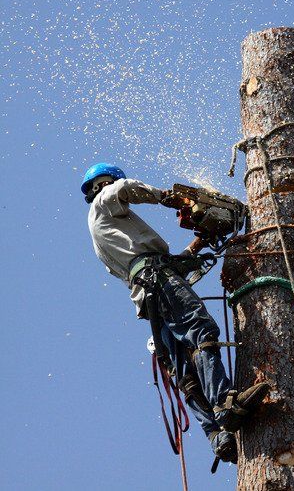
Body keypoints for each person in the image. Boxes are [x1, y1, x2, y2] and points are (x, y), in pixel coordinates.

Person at [82, 162, 269, 463]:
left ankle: (218, 436)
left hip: (148, 296)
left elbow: (159, 263)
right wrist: (170, 198)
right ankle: (224, 402)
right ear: (103, 184)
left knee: (184, 368)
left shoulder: (107, 235)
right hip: (157, 280)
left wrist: (199, 244)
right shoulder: (103, 204)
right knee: (201, 330)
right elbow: (125, 188)